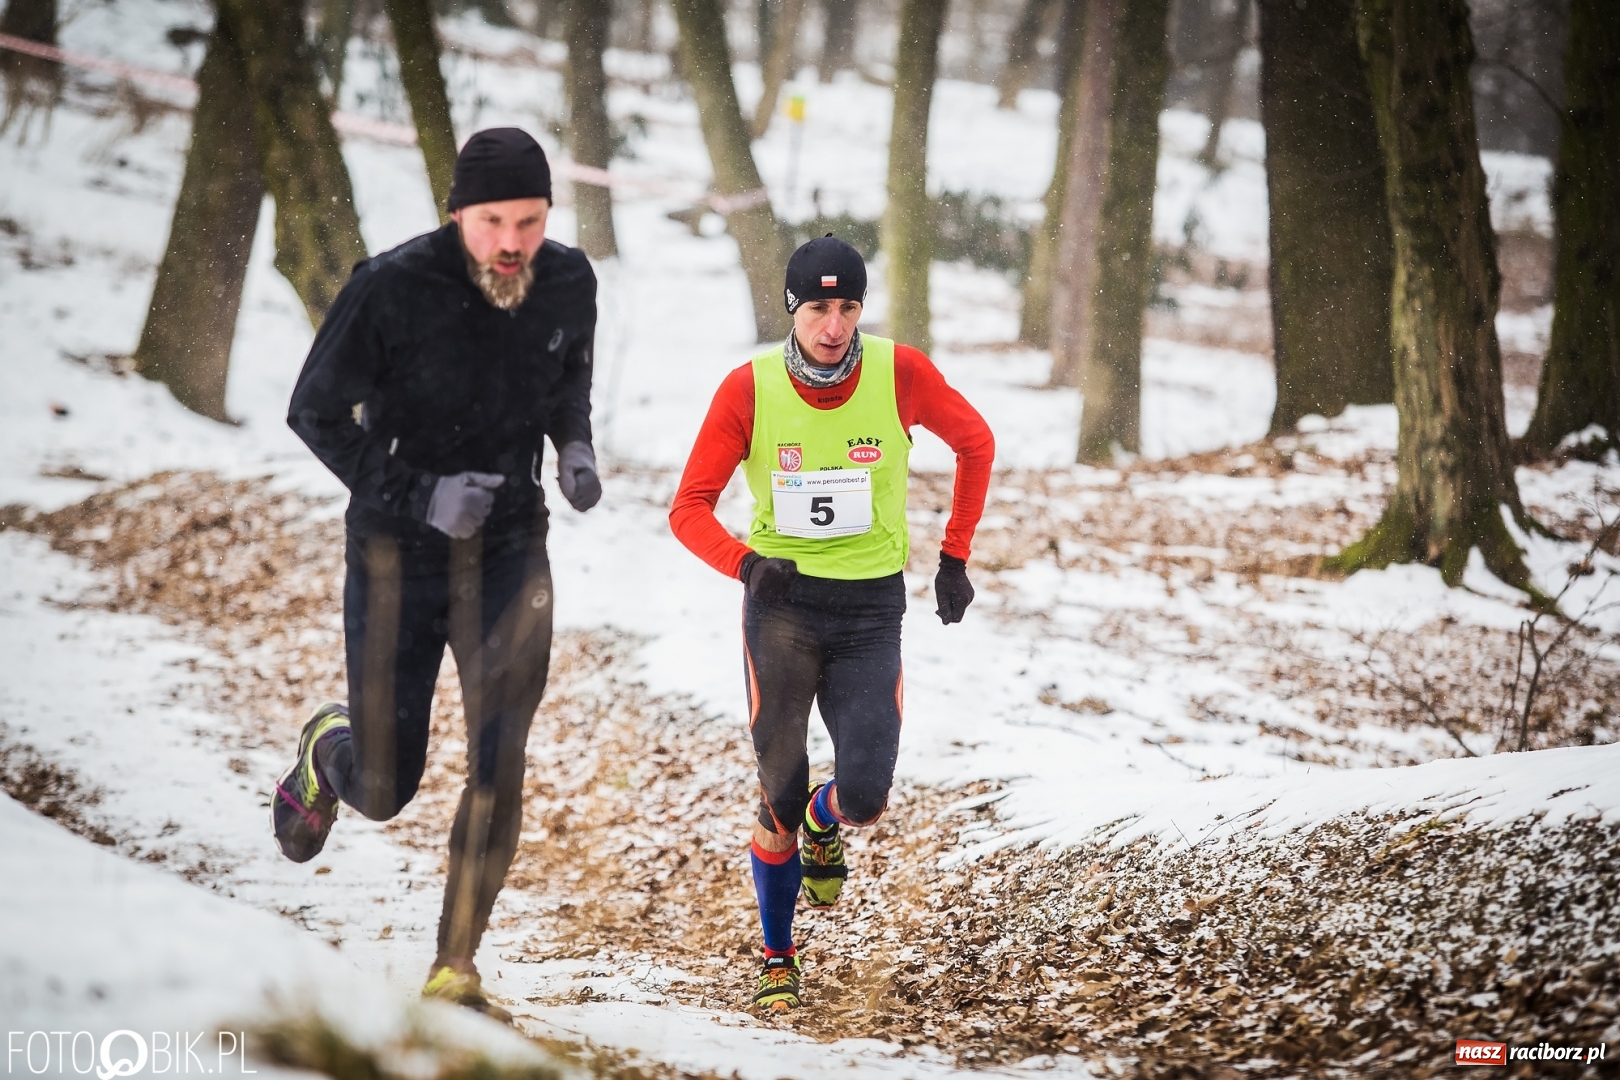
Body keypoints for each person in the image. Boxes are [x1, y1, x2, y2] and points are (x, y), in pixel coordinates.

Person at [272, 128, 602, 1018]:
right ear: (457, 213)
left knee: (501, 757)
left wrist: (572, 447)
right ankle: (326, 749)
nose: (511, 243)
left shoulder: (568, 279)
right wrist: (418, 496)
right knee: (385, 784)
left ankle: (455, 961)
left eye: (529, 222)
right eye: (492, 221)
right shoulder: (390, 287)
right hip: (396, 552)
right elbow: (313, 411)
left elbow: (567, 375)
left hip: (508, 550)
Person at [669, 235, 995, 1010]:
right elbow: (688, 508)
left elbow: (976, 443)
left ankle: (828, 822)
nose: (835, 324)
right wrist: (747, 564)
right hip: (780, 609)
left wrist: (954, 557)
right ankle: (778, 955)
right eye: (819, 307)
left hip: (869, 611)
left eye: (848, 306)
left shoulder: (900, 372)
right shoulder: (747, 388)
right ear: (792, 308)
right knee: (777, 796)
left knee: (866, 796)